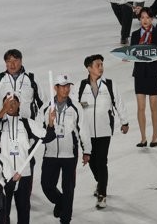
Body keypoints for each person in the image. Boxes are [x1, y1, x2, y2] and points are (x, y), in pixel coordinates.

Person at [77, 54, 129, 210]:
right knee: (92, 161)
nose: (101, 67)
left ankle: (102, 194)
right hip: (86, 132)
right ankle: (101, 183)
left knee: (102, 161)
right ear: (89, 68)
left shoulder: (110, 85)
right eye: (97, 65)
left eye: (102, 65)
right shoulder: (81, 87)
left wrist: (124, 121)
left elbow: (119, 102)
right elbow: (75, 108)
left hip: (104, 130)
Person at [0, 92, 49, 224]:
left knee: (23, 209)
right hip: (5, 176)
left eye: (14, 102)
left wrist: (50, 123)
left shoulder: (28, 123)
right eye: (7, 103)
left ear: (19, 104)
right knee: (4, 212)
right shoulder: (0, 124)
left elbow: (47, 137)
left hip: (24, 173)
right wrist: (2, 111)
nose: (11, 105)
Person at [41, 75, 89, 224]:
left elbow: (83, 130)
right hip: (50, 153)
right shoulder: (45, 107)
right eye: (63, 86)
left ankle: (65, 218)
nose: (66, 89)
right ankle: (61, 202)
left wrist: (87, 150)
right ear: (55, 88)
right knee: (47, 185)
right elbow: (38, 130)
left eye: (68, 86)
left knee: (68, 187)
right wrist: (49, 122)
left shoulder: (76, 106)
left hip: (69, 154)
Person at [129, 7, 157, 148]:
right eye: (143, 17)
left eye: (148, 17)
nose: (145, 20)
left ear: (152, 19)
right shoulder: (134, 35)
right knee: (140, 107)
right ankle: (143, 137)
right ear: (139, 19)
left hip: (154, 73)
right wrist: (128, 56)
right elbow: (132, 52)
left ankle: (155, 135)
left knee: (153, 106)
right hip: (139, 74)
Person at [0, 49, 44, 121]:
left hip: (28, 126)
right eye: (9, 61)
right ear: (6, 63)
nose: (12, 64)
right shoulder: (0, 78)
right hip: (5, 126)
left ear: (21, 61)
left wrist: (45, 124)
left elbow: (43, 102)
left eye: (15, 61)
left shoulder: (31, 78)